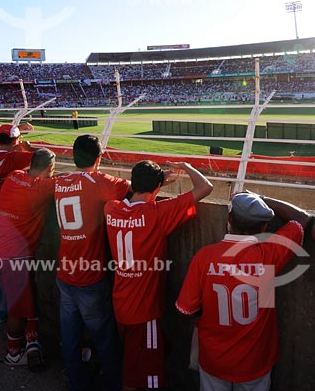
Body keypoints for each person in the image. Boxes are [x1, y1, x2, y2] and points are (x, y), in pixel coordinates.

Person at [176, 192, 312, 391]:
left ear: (229, 219)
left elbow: (186, 309)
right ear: (264, 227)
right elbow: (302, 218)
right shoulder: (270, 253)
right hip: (255, 362)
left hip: (214, 359)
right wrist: (263, 198)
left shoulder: (204, 257)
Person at [104, 160, 213, 391]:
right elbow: (205, 187)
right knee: (146, 377)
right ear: (156, 190)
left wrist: (154, 184)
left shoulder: (111, 208)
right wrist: (185, 165)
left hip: (120, 304)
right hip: (144, 311)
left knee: (134, 364)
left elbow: (132, 201)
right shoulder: (156, 213)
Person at [54, 134, 130, 391]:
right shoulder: (99, 182)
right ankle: (112, 384)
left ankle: (77, 383)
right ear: (98, 159)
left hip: (64, 273)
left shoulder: (60, 181)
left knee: (70, 336)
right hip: (89, 276)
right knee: (105, 338)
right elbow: (133, 185)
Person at [0, 149, 57, 370]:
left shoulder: (13, 176)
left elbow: (27, 173)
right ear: (50, 169)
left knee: (23, 302)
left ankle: (30, 340)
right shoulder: (46, 186)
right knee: (17, 310)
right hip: (14, 260)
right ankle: (14, 353)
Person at [0, 123, 38, 340]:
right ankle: (2, 311)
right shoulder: (13, 159)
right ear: (14, 141)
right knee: (3, 268)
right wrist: (27, 147)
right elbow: (43, 158)